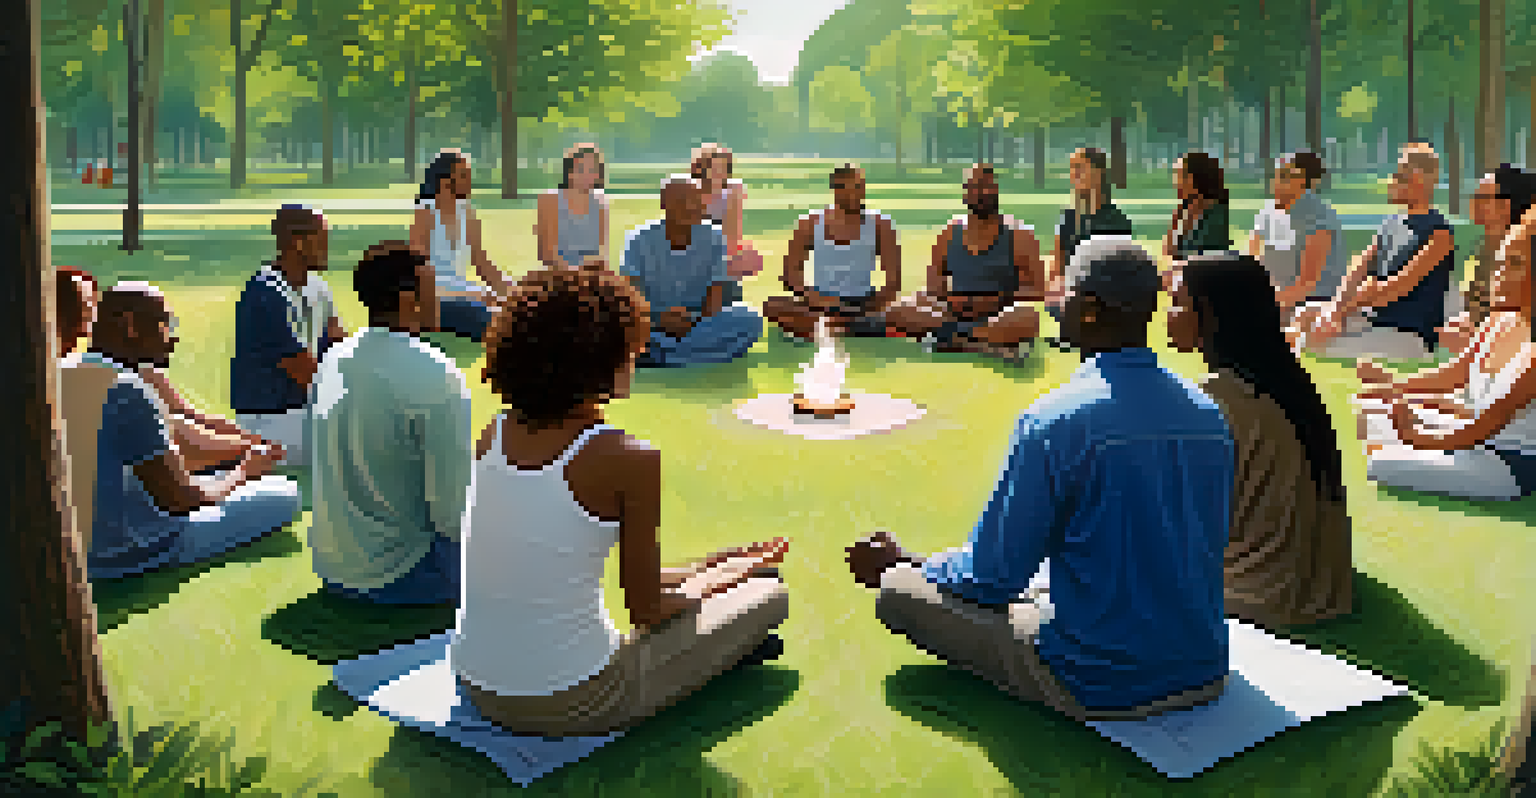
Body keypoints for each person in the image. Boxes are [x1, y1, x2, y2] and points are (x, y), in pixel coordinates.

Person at [847, 238, 1235, 721]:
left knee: (898, 593)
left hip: (1100, 679)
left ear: (1090, 310)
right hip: (1203, 668)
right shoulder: (1208, 415)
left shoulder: (1055, 420)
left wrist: (909, 565)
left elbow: (992, 579)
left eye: (1065, 291)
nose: (1055, 302)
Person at [451, 267, 790, 736]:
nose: (639, 352)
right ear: (598, 358)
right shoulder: (627, 458)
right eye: (630, 345)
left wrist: (717, 565)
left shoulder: (495, 433)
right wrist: (736, 575)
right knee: (768, 593)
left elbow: (556, 564)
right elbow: (647, 611)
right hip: (575, 701)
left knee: (730, 581)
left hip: (474, 683)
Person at [58, 283, 299, 581]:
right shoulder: (126, 390)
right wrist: (245, 472)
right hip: (131, 550)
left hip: (69, 546)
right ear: (131, 326)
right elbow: (182, 500)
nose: (173, 337)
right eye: (165, 324)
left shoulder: (59, 373)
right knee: (285, 491)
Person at [1166, 253, 1353, 629]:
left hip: (1256, 595)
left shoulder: (1214, 399)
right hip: (1323, 588)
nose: (1168, 314)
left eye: (1179, 303)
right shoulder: (1286, 382)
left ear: (1214, 315)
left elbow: (1179, 518)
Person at [308, 242, 473, 605]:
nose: (439, 298)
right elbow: (453, 516)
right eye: (431, 289)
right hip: (403, 574)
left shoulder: (334, 358)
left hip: (333, 569)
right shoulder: (436, 372)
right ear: (406, 299)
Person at [1354, 205, 1536, 502]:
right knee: (1372, 413)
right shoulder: (1498, 319)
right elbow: (1456, 374)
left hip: (1507, 464)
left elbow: (1487, 423)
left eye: (1515, 263)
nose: (1498, 274)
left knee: (1381, 463)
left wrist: (1419, 436)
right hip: (1474, 440)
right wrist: (1394, 388)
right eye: (1500, 262)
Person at [1290, 143, 1457, 361]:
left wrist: (1341, 312)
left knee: (1314, 342)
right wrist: (1336, 310)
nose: (1391, 182)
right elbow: (1358, 270)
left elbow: (1396, 287)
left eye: (1398, 176)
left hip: (1407, 333)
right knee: (1305, 314)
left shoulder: (1439, 233)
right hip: (1372, 319)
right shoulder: (1391, 223)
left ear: (1418, 180)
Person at [884, 164, 1044, 357]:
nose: (981, 193)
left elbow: (1038, 289)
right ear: (965, 194)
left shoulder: (1020, 234)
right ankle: (976, 343)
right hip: (954, 314)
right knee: (897, 310)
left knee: (1028, 317)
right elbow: (934, 285)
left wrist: (995, 299)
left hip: (998, 314)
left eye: (986, 186)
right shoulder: (950, 232)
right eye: (974, 187)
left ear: (996, 190)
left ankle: (953, 339)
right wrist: (953, 300)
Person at [230, 205, 347, 467]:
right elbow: (306, 375)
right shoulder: (267, 293)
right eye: (322, 238)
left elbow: (342, 349)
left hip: (303, 413)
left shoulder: (317, 287)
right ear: (298, 242)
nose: (328, 246)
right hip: (272, 423)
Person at [618, 175, 764, 367]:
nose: (690, 207)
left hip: (698, 322)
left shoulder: (715, 237)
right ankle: (697, 353)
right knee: (612, 325)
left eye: (696, 201)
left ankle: (661, 356)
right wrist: (659, 321)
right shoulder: (638, 240)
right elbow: (631, 296)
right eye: (681, 201)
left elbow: (716, 294)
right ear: (664, 204)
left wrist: (693, 321)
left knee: (749, 320)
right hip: (652, 322)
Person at [763, 164, 901, 342]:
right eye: (846, 188)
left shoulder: (881, 225)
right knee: (772, 306)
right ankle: (846, 326)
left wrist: (868, 307)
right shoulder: (809, 223)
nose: (854, 194)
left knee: (905, 310)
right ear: (834, 189)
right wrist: (812, 296)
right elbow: (790, 275)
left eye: (859, 187)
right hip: (820, 301)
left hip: (863, 303)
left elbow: (893, 283)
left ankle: (830, 326)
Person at [408, 149, 509, 343]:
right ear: (445, 181)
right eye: (463, 175)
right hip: (435, 299)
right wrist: (475, 293)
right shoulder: (425, 213)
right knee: (496, 319)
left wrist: (514, 293)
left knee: (511, 312)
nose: (470, 180)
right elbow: (420, 274)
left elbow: (482, 262)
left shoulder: (466, 211)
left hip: (463, 292)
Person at [1434, 165, 1536, 356]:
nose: (1473, 204)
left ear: (1504, 206)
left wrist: (1473, 338)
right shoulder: (1485, 249)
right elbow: (1477, 311)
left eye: (1481, 198)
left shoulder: (1523, 255)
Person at [1248, 151, 1349, 317]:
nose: (1275, 182)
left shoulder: (1319, 217)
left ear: (1304, 181)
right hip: (1276, 299)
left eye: (1285, 176)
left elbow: (1307, 284)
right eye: (1276, 175)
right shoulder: (1268, 211)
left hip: (1312, 304)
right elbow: (1252, 260)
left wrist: (1262, 305)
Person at [691, 143, 765, 305]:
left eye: (723, 168)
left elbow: (732, 237)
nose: (720, 173)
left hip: (722, 253)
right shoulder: (689, 191)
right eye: (714, 168)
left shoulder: (733, 190)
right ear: (701, 168)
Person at [537, 143, 610, 271]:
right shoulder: (549, 200)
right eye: (581, 169)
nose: (587, 175)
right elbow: (547, 255)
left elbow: (601, 254)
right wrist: (575, 273)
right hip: (557, 276)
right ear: (569, 172)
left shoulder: (601, 202)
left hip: (590, 277)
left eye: (592, 170)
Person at [1163, 151, 1232, 266]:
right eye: (1176, 176)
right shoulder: (1184, 209)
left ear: (1197, 178)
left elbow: (1208, 259)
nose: (1177, 182)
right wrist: (1175, 224)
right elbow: (1169, 254)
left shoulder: (1216, 213)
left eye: (1182, 176)